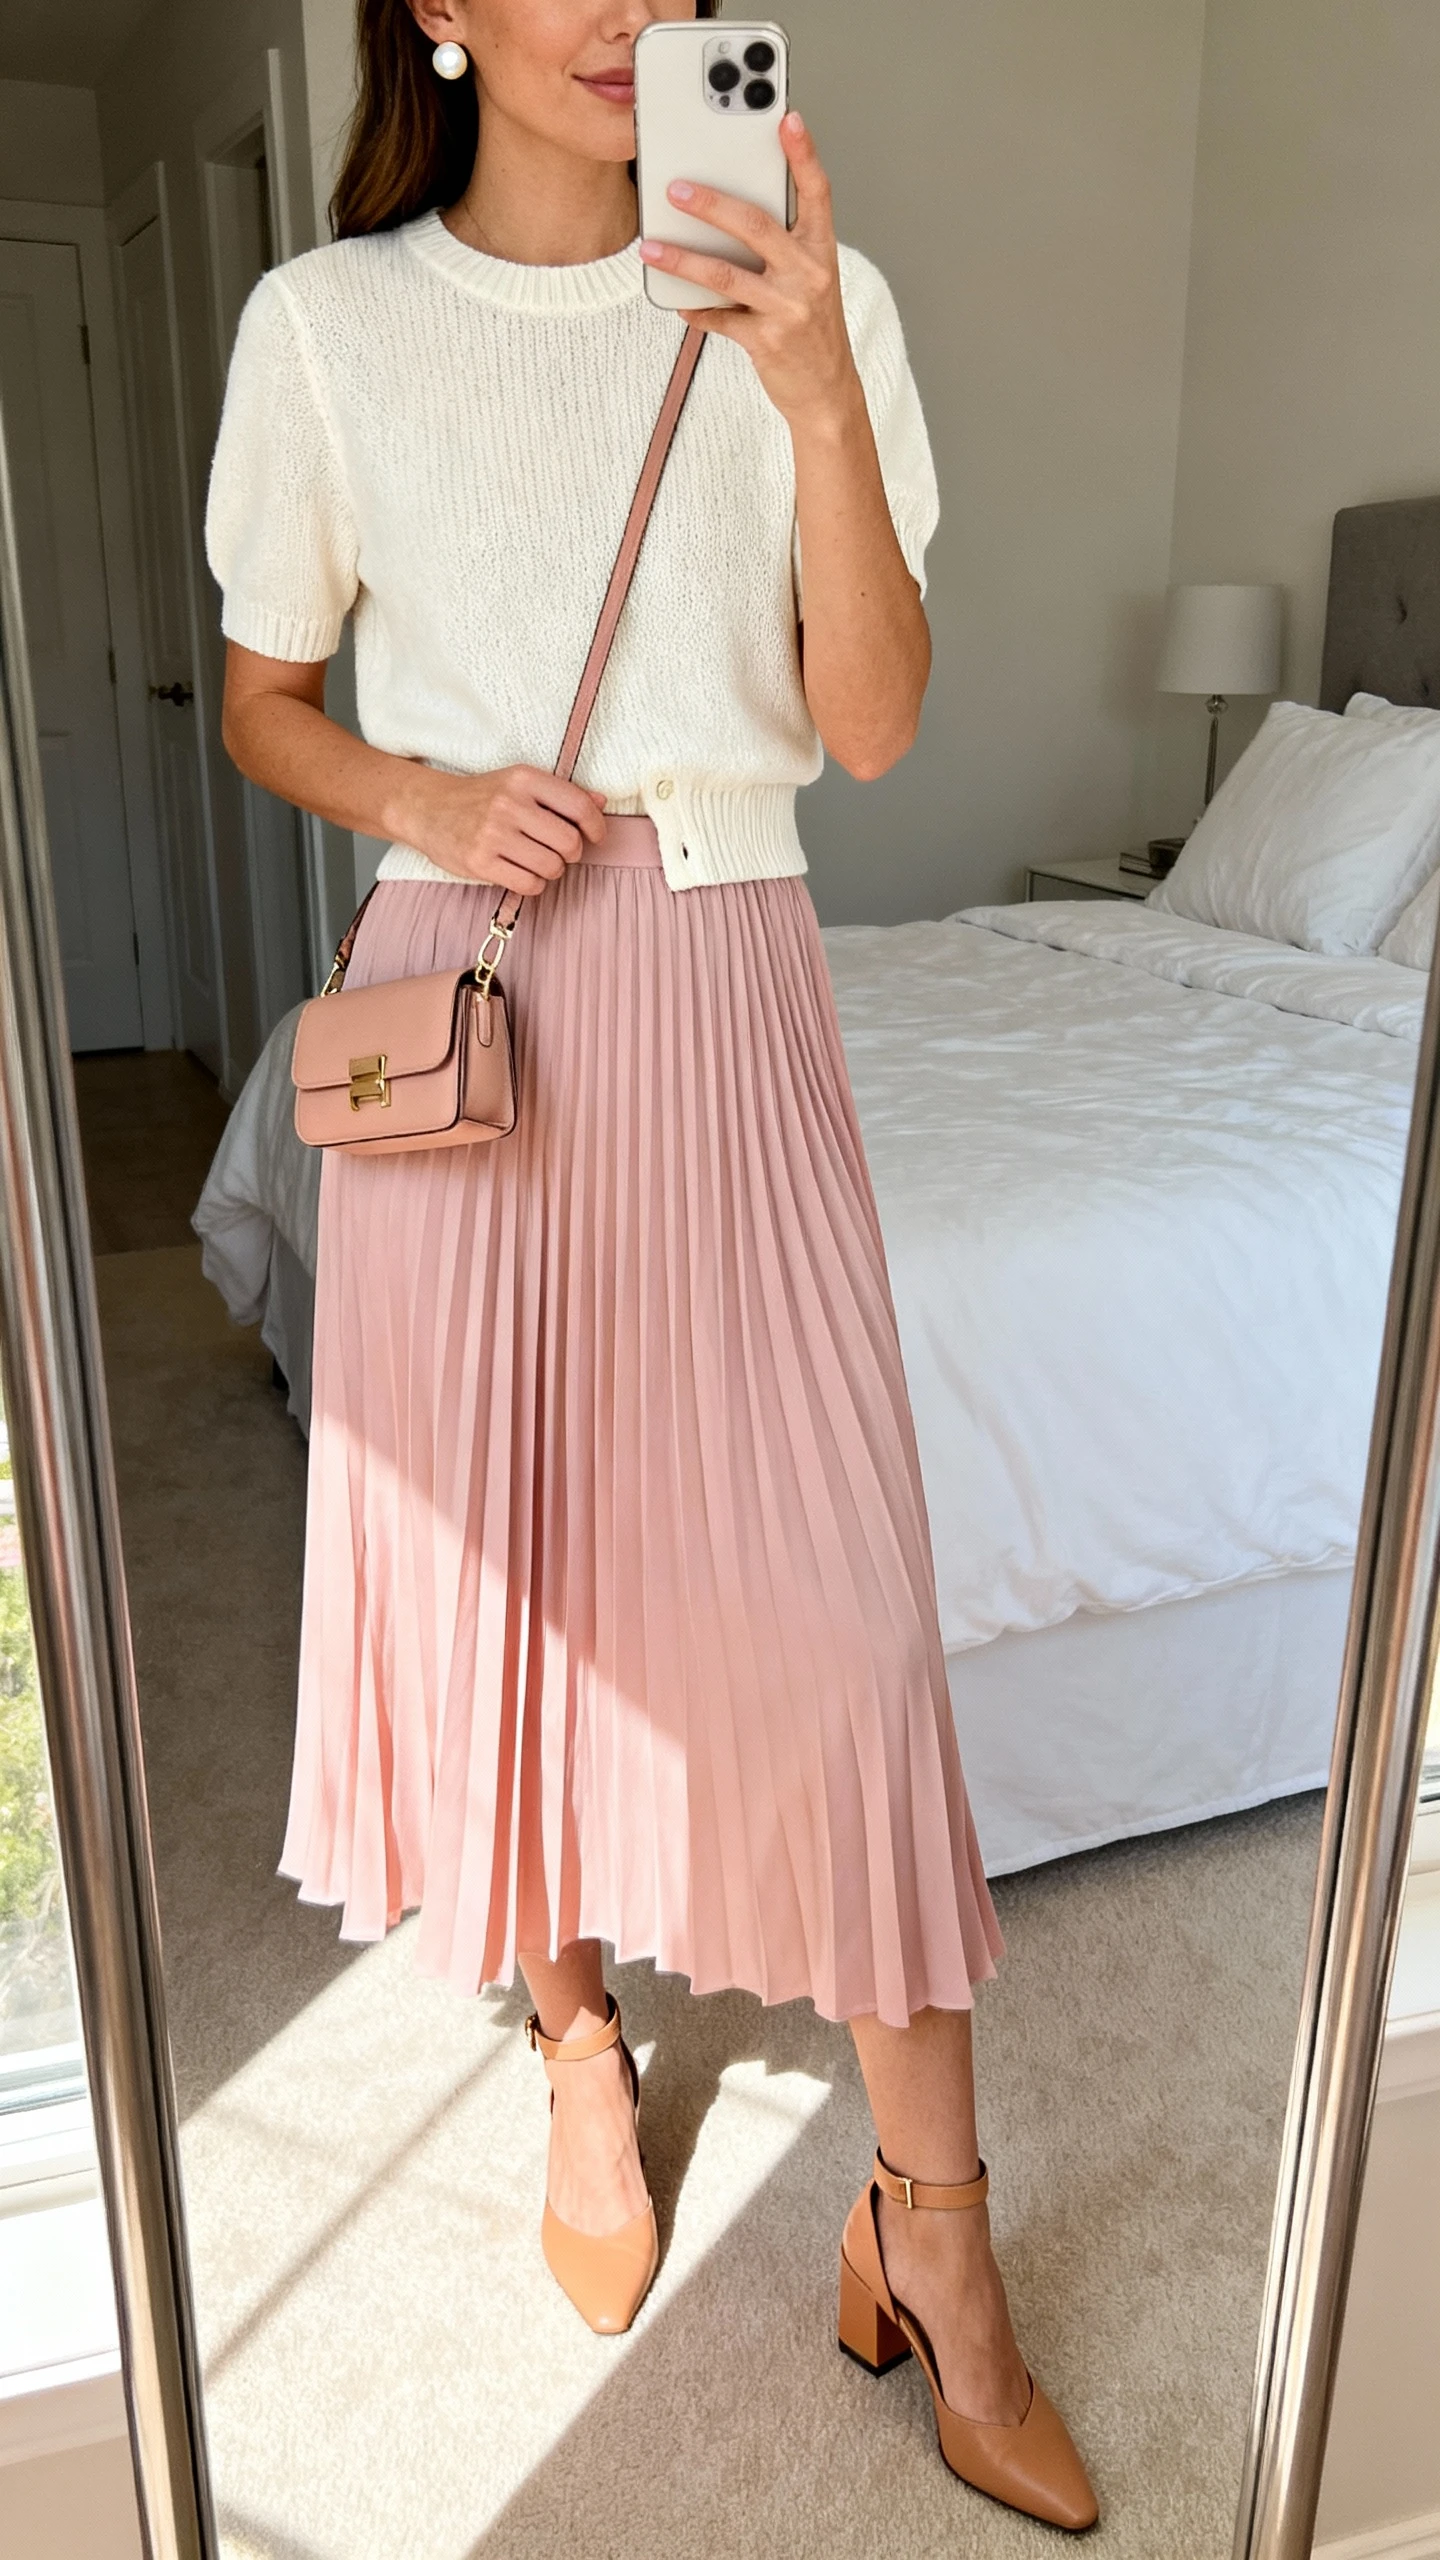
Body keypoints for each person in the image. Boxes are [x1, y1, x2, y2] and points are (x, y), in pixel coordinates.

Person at [206, 0, 1096, 2529]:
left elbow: (882, 719)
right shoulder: (323, 328)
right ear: (441, 17)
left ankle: (939, 2233)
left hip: (732, 976)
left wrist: (812, 387)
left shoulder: (814, 289)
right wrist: (423, 784)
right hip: (465, 993)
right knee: (519, 1578)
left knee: (842, 1615)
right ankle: (573, 2029)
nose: (619, 13)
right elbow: (265, 695)